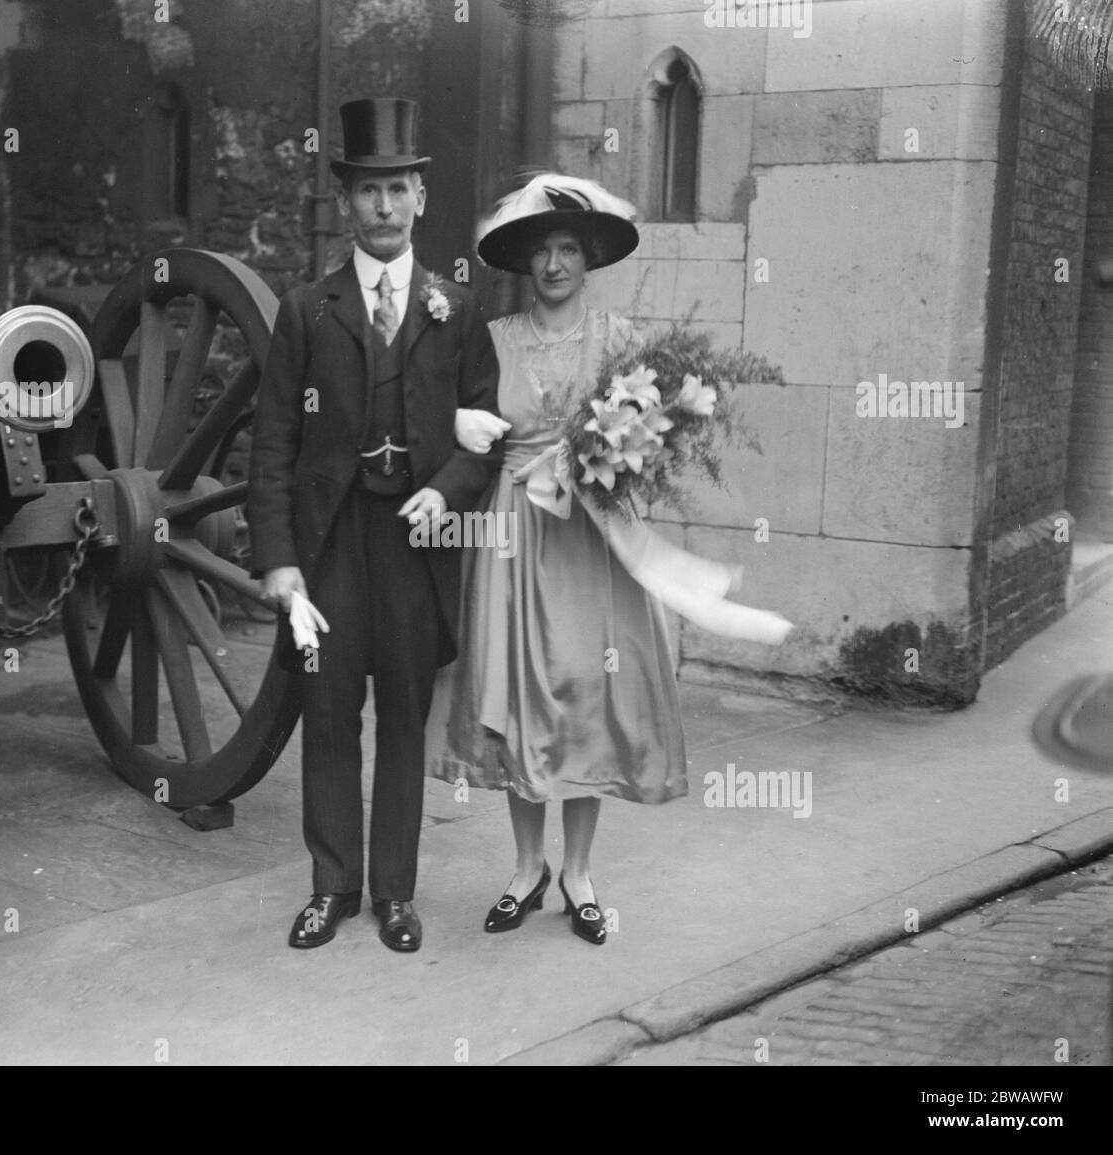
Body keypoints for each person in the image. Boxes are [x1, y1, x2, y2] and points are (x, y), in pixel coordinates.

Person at [434, 173, 788, 945]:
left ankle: (580, 873)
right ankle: (526, 868)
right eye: (542, 251)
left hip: (592, 537)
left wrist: (611, 452)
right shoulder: (493, 342)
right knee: (524, 695)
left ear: (588, 258)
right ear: (525, 263)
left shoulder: (623, 342)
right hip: (514, 533)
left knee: (587, 694)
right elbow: (470, 434)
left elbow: (656, 436)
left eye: (568, 249)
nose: (555, 263)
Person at [247, 98, 502, 953]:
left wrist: (451, 488)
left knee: (402, 710)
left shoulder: (456, 310)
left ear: (420, 199)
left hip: (415, 547)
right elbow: (272, 442)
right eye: (368, 191)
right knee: (326, 710)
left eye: (398, 188)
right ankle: (333, 886)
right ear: (347, 203)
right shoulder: (306, 310)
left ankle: (396, 892)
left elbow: (486, 432)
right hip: (329, 548)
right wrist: (279, 562)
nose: (385, 206)